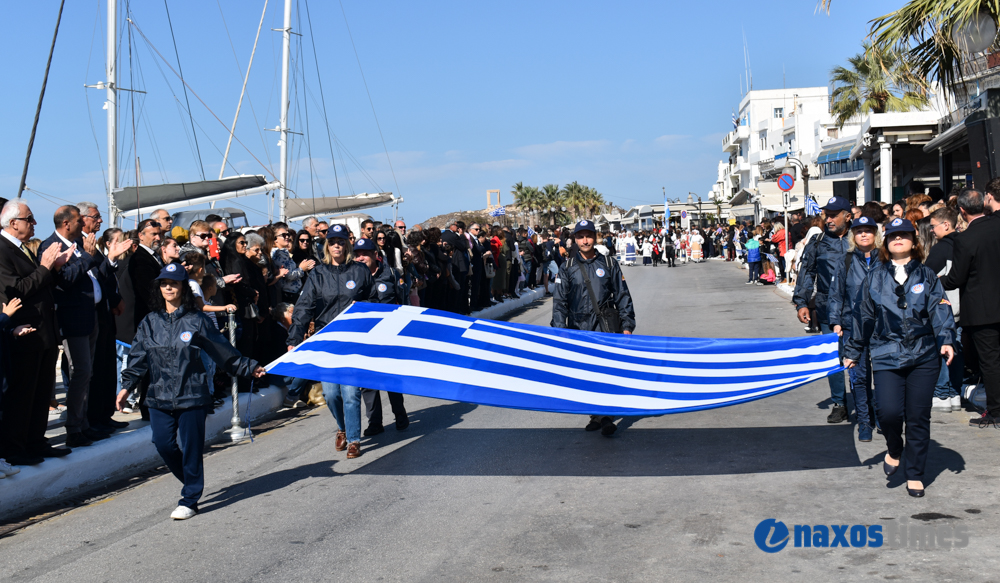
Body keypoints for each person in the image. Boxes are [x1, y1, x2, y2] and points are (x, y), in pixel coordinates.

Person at [116, 263, 265, 520]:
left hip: (193, 394)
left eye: (173, 283)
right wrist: (126, 386)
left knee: (192, 448)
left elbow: (223, 352)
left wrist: (249, 367)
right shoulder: (150, 322)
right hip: (158, 396)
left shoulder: (196, 320)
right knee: (162, 444)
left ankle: (190, 499)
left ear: (183, 287)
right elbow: (137, 358)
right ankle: (191, 478)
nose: (168, 288)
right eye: (164, 283)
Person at [843, 218, 956, 498]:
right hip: (886, 353)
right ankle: (895, 449)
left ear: (914, 241)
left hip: (923, 355)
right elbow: (863, 316)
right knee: (889, 413)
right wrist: (854, 350)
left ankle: (915, 474)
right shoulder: (875, 276)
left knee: (918, 416)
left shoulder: (927, 276)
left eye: (904, 235)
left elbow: (940, 309)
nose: (898, 239)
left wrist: (946, 340)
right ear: (886, 242)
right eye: (893, 235)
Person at [287, 224, 373, 458]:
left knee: (350, 391)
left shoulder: (360, 271)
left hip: (353, 339)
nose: (337, 245)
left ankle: (354, 439)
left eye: (341, 241)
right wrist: (294, 338)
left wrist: (367, 320)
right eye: (332, 241)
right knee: (331, 394)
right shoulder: (318, 274)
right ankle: (342, 428)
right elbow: (304, 308)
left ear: (347, 244)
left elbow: (374, 303)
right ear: (327, 245)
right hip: (327, 340)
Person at [0, 200, 73, 465]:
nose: (34, 223)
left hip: (43, 331)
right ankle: (16, 449)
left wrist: (52, 268)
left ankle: (36, 441)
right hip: (24, 333)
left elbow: (39, 285)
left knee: (42, 393)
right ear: (13, 223)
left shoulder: (19, 249)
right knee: (23, 394)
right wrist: (44, 267)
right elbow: (16, 290)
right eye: (29, 218)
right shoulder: (2, 249)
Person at [551, 220, 636, 437]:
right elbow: (560, 302)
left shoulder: (608, 263)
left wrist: (627, 325)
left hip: (605, 328)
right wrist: (560, 330)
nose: (585, 240)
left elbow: (622, 295)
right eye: (581, 237)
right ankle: (595, 414)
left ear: (595, 237)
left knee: (606, 371)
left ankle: (606, 415)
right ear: (575, 240)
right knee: (586, 373)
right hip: (579, 328)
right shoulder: (567, 267)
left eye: (589, 236)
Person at [42, 206, 112, 447]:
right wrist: (89, 258)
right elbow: (65, 281)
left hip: (89, 315)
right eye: (79, 221)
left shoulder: (80, 244)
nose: (83, 225)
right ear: (66, 224)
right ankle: (74, 428)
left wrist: (93, 257)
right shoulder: (51, 246)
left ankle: (83, 424)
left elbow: (90, 272)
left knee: (87, 372)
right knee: (80, 371)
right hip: (71, 320)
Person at [941, 188, 1000, 427]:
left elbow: (955, 279)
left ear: (962, 211)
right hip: (989, 306)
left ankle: (996, 411)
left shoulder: (965, 239)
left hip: (982, 310)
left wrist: (935, 281)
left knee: (990, 362)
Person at [793, 196, 853, 423]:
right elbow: (807, 272)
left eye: (833, 215)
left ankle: (866, 405)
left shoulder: (859, 240)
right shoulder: (817, 243)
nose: (828, 219)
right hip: (828, 308)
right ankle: (839, 402)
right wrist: (801, 302)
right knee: (833, 358)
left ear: (847, 216)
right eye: (826, 215)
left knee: (861, 358)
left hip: (858, 309)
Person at [828, 216, 884, 443]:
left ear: (875, 234)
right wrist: (836, 321)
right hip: (853, 327)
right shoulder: (846, 260)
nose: (863, 235)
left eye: (868, 231)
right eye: (859, 231)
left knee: (882, 375)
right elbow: (836, 293)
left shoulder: (886, 259)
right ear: (853, 235)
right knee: (858, 377)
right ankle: (864, 422)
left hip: (882, 328)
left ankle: (882, 418)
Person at [77, 204, 130, 434]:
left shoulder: (92, 244)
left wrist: (115, 297)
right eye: (96, 217)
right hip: (89, 315)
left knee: (107, 367)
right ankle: (94, 417)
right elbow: (90, 276)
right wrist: (110, 259)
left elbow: (103, 278)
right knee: (96, 370)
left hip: (106, 312)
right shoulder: (80, 243)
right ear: (82, 219)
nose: (100, 221)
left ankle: (105, 414)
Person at [354, 237, 408, 434]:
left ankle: (400, 414)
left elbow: (402, 302)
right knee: (368, 382)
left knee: (391, 377)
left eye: (365, 254)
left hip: (388, 335)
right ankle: (374, 422)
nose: (360, 258)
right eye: (357, 255)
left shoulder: (391, 274)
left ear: (375, 256)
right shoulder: (353, 278)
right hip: (363, 336)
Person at [924, 207, 963, 412]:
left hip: (945, 307)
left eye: (933, 226)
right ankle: (955, 392)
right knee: (957, 350)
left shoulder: (941, 248)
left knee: (942, 349)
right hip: (963, 306)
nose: (931, 230)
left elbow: (927, 276)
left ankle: (942, 393)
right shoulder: (965, 243)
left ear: (945, 225)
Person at [272, 223, 314, 303]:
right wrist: (302, 269)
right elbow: (289, 275)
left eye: (288, 234)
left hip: (293, 293)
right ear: (275, 239)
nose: (287, 237)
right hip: (288, 295)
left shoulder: (284, 252)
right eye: (283, 235)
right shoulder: (278, 253)